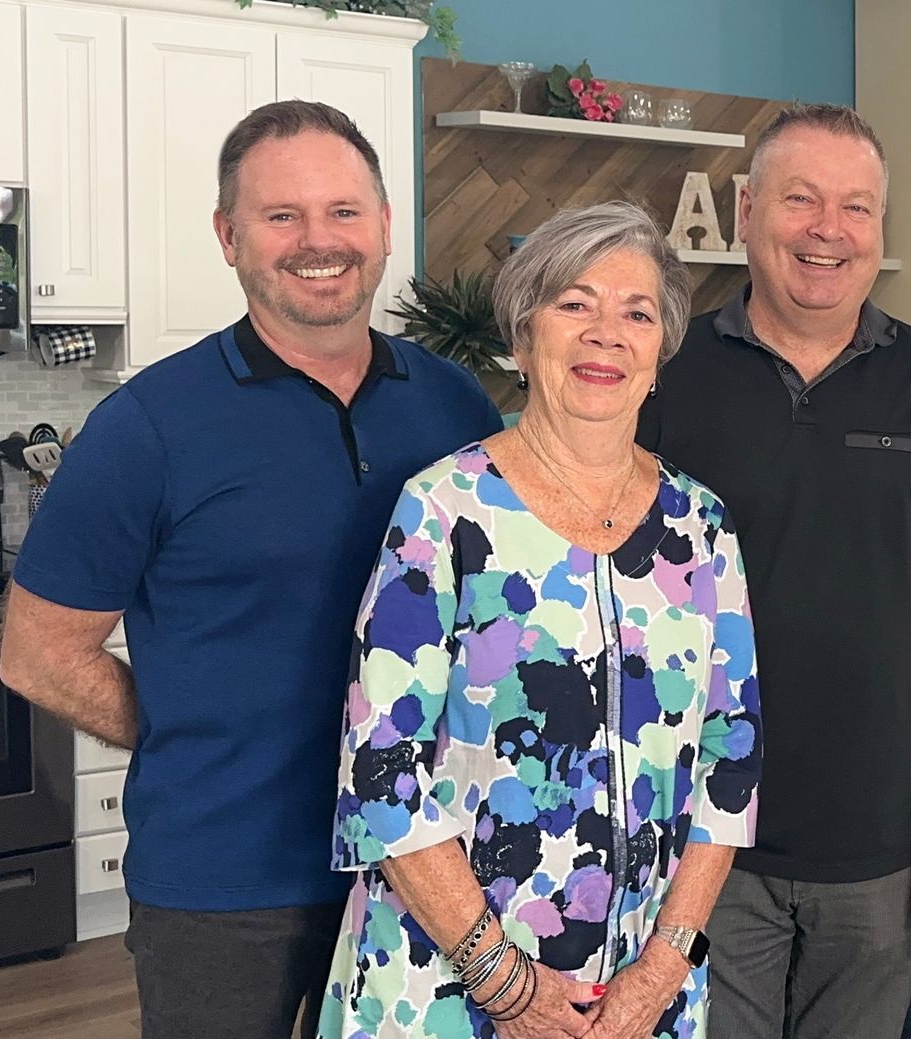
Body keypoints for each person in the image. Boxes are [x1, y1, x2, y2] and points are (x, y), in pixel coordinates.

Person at [0, 101, 501, 1039]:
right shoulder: (148, 427)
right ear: (229, 237)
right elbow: (35, 654)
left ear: (386, 226)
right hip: (224, 884)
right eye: (282, 216)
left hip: (421, 867)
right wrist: (185, 725)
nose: (319, 241)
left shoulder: (454, 403)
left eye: (344, 212)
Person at [317, 201, 761, 1039]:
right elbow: (382, 776)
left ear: (661, 353)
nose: (606, 333)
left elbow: (731, 768)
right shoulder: (444, 510)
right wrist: (506, 983)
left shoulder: (702, 527)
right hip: (447, 985)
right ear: (522, 342)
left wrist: (664, 967)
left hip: (639, 992)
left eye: (636, 313)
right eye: (573, 303)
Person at [636, 103, 911, 1037]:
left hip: (879, 850)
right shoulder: (662, 371)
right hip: (696, 845)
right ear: (744, 210)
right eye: (800, 199)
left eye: (857, 207)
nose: (828, 230)